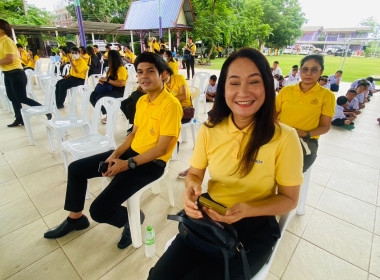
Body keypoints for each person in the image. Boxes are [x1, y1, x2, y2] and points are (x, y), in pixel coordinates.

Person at [148, 47, 303, 280]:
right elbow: (195, 174)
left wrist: (247, 210)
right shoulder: (210, 129)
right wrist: (190, 191)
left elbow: (290, 199)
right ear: (223, 88)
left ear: (267, 87)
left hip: (254, 226)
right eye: (234, 82)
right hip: (210, 216)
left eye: (254, 82)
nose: (243, 92)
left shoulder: (284, 137)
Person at [43, 52, 183, 251]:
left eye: (150, 71)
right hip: (130, 155)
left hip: (152, 164)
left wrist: (126, 164)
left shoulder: (171, 105)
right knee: (76, 168)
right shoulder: (142, 101)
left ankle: (132, 219)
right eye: (140, 71)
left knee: (99, 211)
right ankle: (75, 219)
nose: (144, 76)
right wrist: (115, 154)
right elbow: (133, 133)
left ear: (163, 75)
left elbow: (161, 149)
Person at [276, 54, 335, 172]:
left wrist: (305, 134)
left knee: (291, 174)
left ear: (321, 71)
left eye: (314, 69)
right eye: (305, 69)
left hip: (306, 141)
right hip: (281, 136)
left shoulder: (327, 96)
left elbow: (325, 127)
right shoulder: (287, 91)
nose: (309, 73)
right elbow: (272, 114)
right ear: (300, 71)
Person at [0, 19, 45, 127]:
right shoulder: (1, 41)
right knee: (12, 97)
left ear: (2, 29)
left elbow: (9, 59)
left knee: (21, 98)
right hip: (7, 73)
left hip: (16, 73)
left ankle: (45, 110)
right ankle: (19, 118)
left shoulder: (7, 41)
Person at [89, 50, 127, 123]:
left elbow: (121, 84)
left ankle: (109, 114)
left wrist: (107, 80)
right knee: (93, 96)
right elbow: (108, 79)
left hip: (119, 90)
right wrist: (102, 80)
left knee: (100, 97)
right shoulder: (111, 68)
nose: (106, 58)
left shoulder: (121, 68)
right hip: (111, 88)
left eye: (108, 57)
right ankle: (107, 112)